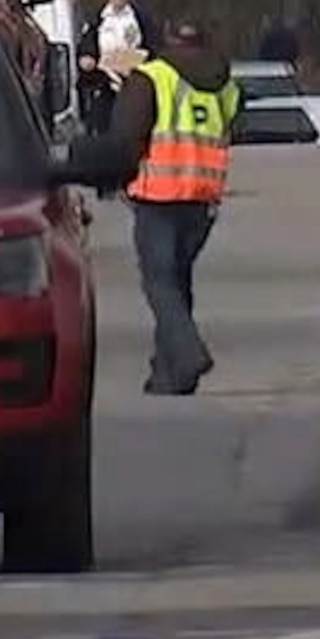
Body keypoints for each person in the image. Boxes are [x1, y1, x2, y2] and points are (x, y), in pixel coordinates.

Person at [101, 23, 239, 395]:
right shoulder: (224, 84)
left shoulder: (150, 78)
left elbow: (126, 138)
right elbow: (228, 129)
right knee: (178, 281)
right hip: (202, 197)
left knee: (159, 281)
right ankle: (171, 373)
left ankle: (188, 353)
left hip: (157, 195)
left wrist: (111, 178)